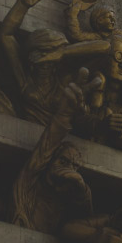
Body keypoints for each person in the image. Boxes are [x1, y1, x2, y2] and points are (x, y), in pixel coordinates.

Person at [0, 0, 110, 125]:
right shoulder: (24, 79)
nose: (44, 61)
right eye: (39, 53)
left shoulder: (63, 80)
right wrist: (22, 5)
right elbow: (6, 35)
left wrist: (63, 53)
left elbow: (105, 47)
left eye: (49, 54)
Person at [10, 68, 102, 234]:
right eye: (63, 162)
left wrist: (81, 188)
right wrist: (65, 112)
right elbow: (47, 146)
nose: (67, 169)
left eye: (74, 167)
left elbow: (85, 221)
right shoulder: (29, 186)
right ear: (50, 160)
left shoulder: (65, 201)